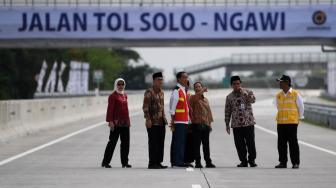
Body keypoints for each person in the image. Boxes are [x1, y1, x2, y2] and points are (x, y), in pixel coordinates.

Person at [225, 76, 258, 168]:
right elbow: (227, 111)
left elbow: (253, 100)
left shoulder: (248, 92)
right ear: (231, 85)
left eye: (238, 84)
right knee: (239, 145)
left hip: (248, 123)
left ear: (241, 84)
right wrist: (227, 124)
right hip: (236, 125)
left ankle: (252, 160)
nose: (236, 86)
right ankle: (243, 161)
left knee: (250, 143)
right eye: (234, 84)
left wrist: (245, 94)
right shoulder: (229, 97)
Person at [275, 75, 304, 169]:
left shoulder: (296, 94)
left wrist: (298, 118)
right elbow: (277, 107)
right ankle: (283, 162)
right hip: (281, 123)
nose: (279, 83)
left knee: (293, 143)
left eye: (281, 82)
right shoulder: (278, 95)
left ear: (287, 82)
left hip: (292, 122)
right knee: (281, 144)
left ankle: (295, 163)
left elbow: (301, 107)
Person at [102, 78, 132, 168]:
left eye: (122, 84)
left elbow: (126, 110)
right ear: (116, 85)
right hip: (116, 123)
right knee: (112, 143)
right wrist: (110, 121)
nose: (120, 86)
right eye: (119, 84)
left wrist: (129, 121)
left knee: (126, 143)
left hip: (125, 123)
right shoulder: (113, 96)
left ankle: (125, 162)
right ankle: (105, 162)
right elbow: (110, 109)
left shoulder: (125, 95)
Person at [142, 72, 168, 169]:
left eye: (161, 80)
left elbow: (162, 107)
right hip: (152, 122)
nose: (160, 81)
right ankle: (152, 163)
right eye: (158, 80)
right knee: (153, 143)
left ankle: (158, 162)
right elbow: (145, 107)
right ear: (154, 81)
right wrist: (148, 119)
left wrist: (164, 117)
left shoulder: (162, 92)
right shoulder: (149, 92)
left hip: (161, 122)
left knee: (161, 143)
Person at [189, 81, 216, 168]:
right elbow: (196, 97)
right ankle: (198, 162)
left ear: (201, 87)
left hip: (206, 125)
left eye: (199, 86)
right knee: (197, 145)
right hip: (196, 125)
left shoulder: (205, 99)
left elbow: (209, 112)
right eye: (196, 87)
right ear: (194, 89)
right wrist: (202, 91)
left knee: (206, 145)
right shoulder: (192, 97)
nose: (198, 88)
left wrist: (210, 124)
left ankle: (208, 162)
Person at [169, 71, 189, 168]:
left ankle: (178, 160)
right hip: (178, 121)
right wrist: (172, 121)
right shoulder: (177, 90)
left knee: (181, 142)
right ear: (179, 79)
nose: (186, 79)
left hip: (184, 120)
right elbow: (172, 108)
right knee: (178, 142)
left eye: (187, 77)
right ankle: (176, 162)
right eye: (184, 77)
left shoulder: (183, 90)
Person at [184, 81, 194, 167]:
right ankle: (184, 160)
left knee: (190, 141)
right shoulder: (179, 93)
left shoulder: (189, 95)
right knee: (184, 142)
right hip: (182, 121)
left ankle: (188, 160)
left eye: (187, 85)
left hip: (190, 121)